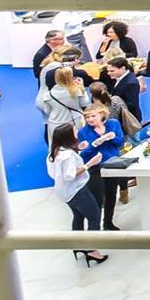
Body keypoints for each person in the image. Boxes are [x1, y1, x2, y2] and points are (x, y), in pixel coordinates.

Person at [47, 124, 106, 264]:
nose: (77, 132)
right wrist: (89, 164)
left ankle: (78, 245)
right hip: (76, 190)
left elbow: (55, 172)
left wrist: (79, 149)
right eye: (74, 131)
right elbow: (70, 175)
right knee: (94, 216)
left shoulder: (55, 152)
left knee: (78, 216)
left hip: (63, 192)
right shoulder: (67, 156)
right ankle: (92, 250)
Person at [76, 103, 124, 230]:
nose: (90, 119)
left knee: (111, 194)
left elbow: (120, 142)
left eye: (93, 116)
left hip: (113, 164)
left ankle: (108, 222)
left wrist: (112, 138)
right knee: (97, 198)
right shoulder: (83, 132)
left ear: (102, 114)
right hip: (95, 168)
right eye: (87, 117)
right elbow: (83, 155)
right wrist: (95, 144)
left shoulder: (113, 124)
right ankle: (94, 227)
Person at [36, 66, 90, 143]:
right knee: (77, 143)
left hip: (55, 124)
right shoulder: (77, 91)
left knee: (56, 146)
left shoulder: (48, 95)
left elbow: (47, 111)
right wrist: (82, 89)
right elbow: (84, 103)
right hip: (75, 121)